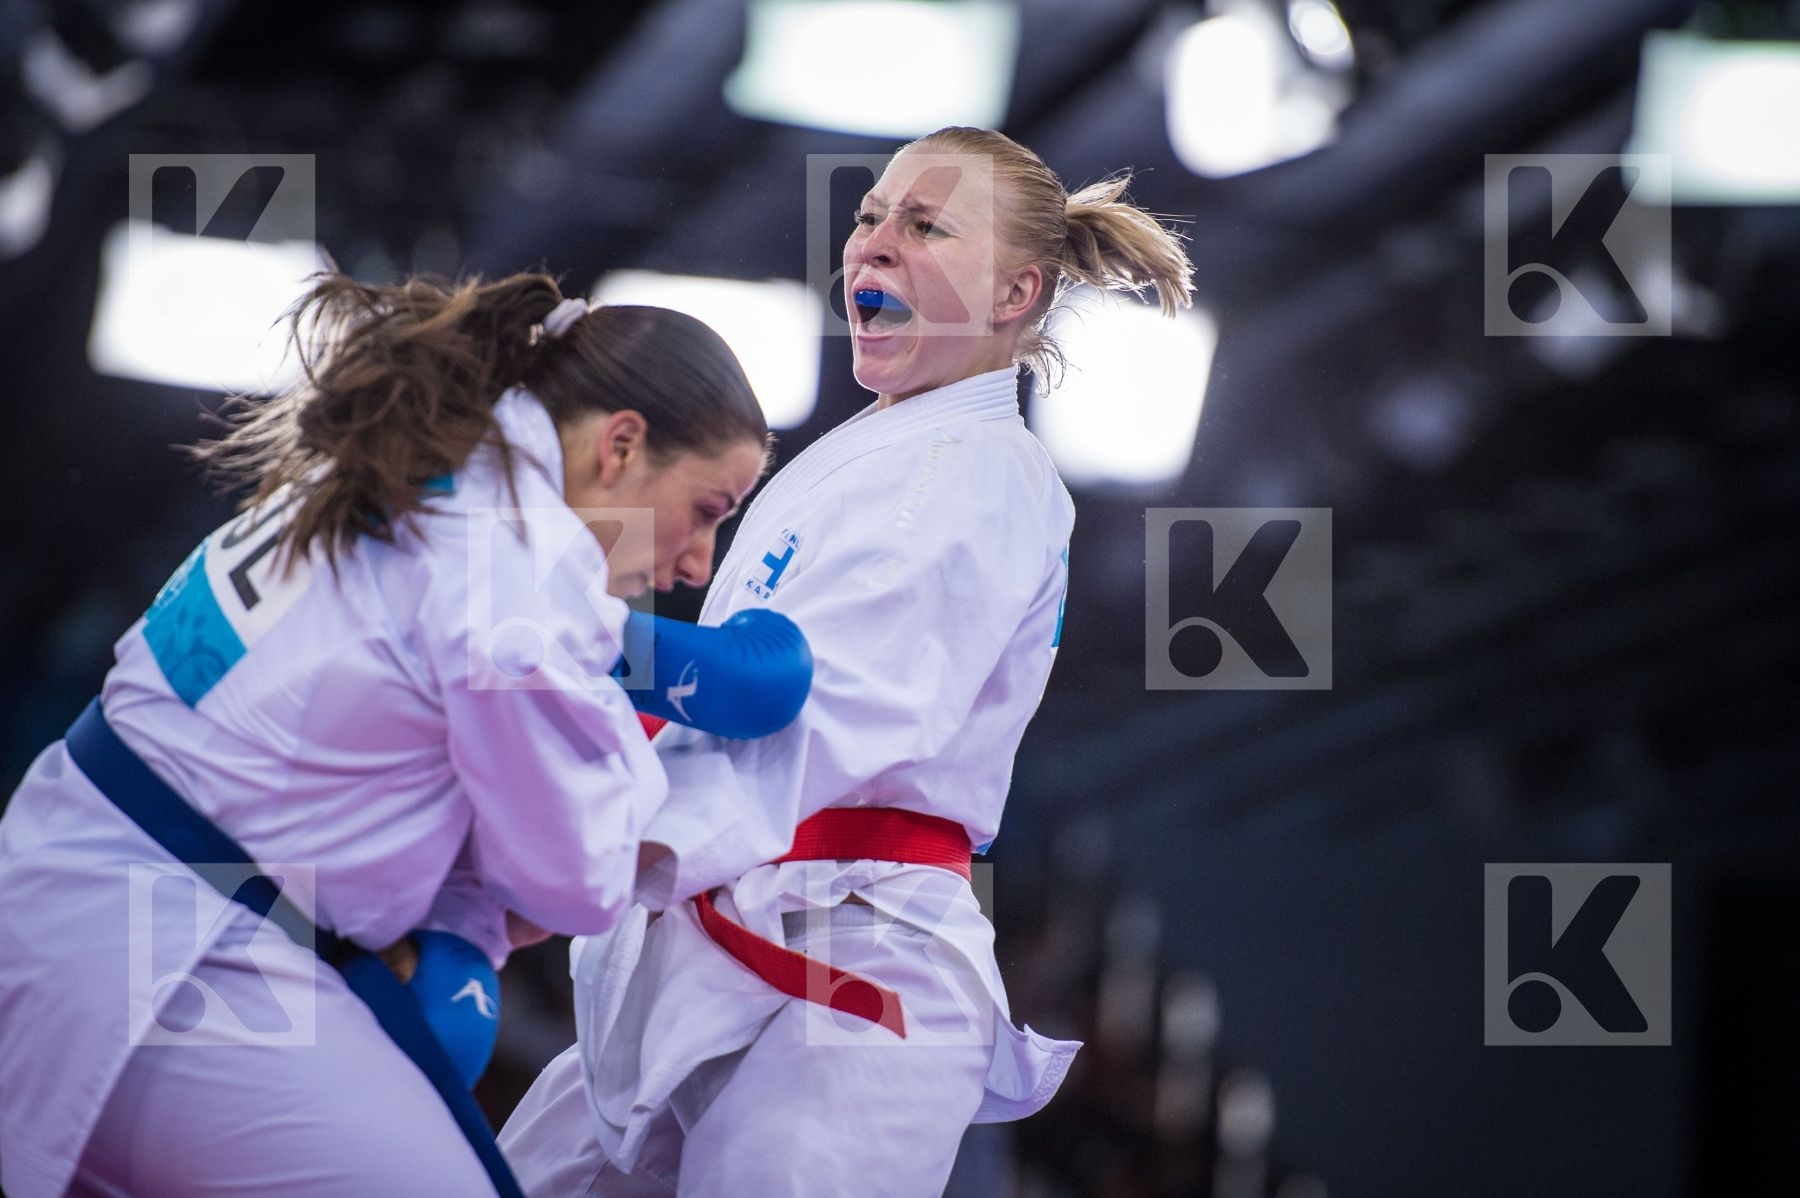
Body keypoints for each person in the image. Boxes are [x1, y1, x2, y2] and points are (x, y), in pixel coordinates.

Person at [499, 126, 1195, 1195]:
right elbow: (714, 707)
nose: (873, 244)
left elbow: (816, 710)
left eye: (925, 226)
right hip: (716, 931)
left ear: (1016, 294)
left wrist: (569, 836)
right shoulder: (862, 454)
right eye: (870, 216)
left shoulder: (984, 466)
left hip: (855, 959)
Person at [0, 269, 777, 1198]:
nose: (697, 562)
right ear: (620, 445)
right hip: (164, 957)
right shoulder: (515, 576)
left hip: (77, 883)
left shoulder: (424, 462)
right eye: (707, 512)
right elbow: (572, 880)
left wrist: (606, 647)